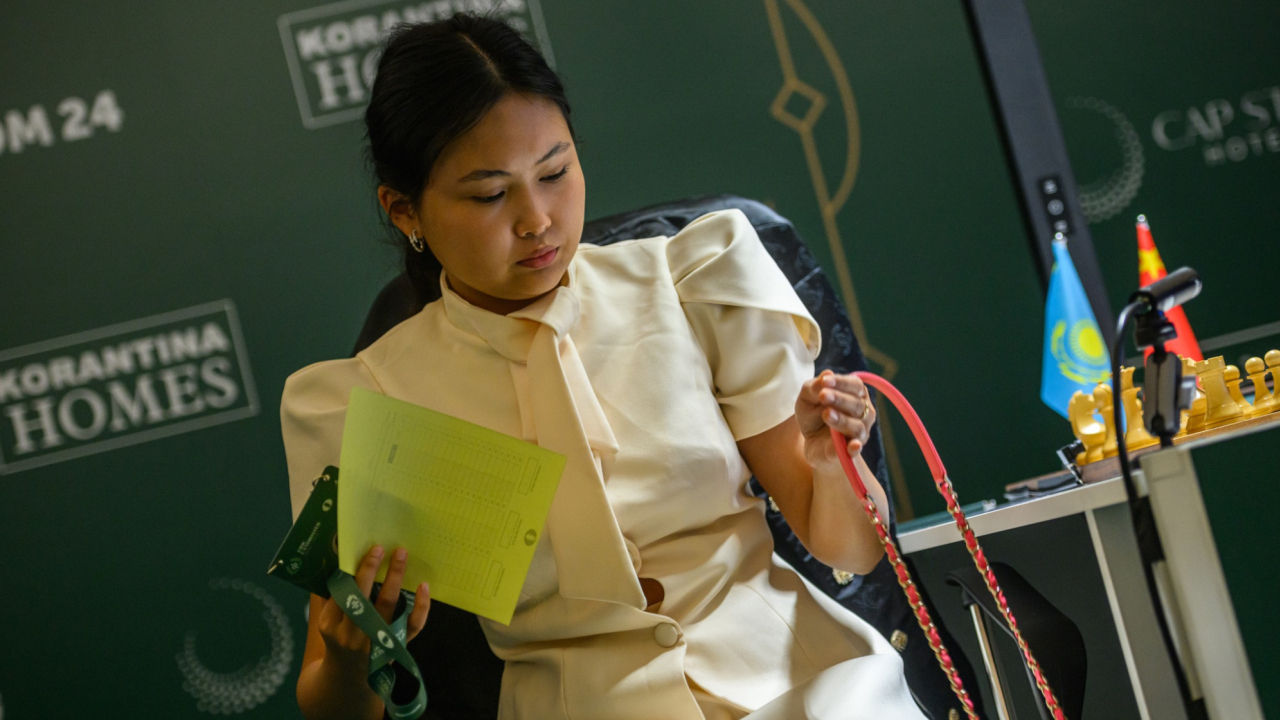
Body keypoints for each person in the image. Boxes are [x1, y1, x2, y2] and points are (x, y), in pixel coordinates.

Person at [281, 13, 926, 720]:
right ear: (405, 211)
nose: (538, 219)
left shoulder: (690, 284)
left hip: (796, 680)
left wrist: (832, 467)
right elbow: (332, 705)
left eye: (555, 172)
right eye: (490, 194)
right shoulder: (379, 400)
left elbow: (852, 552)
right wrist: (351, 656)